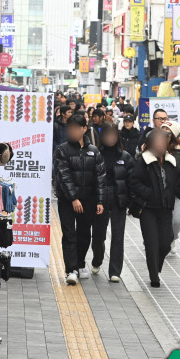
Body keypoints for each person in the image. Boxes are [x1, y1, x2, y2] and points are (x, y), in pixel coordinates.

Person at [129, 129, 180, 287]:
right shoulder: (144, 160)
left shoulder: (171, 161)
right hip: (148, 208)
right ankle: (154, 275)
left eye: (163, 142)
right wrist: (149, 193)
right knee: (151, 242)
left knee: (166, 241)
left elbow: (177, 185)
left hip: (166, 208)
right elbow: (134, 182)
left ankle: (156, 264)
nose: (160, 145)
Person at [55, 114, 106, 285]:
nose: (72, 131)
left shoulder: (94, 151)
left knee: (84, 234)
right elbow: (64, 176)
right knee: (69, 234)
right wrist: (73, 198)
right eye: (70, 128)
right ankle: (71, 270)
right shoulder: (62, 150)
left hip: (89, 200)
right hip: (67, 201)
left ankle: (80, 263)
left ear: (84, 129)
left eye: (76, 128)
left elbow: (100, 177)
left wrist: (99, 201)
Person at [90, 124, 134, 282]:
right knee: (98, 235)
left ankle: (115, 271)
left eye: (113, 135)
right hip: (99, 199)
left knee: (118, 235)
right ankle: (97, 259)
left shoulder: (125, 157)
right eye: (107, 135)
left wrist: (129, 201)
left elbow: (131, 180)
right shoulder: (95, 154)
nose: (111, 138)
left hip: (119, 198)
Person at [161, 121, 180, 255]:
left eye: (168, 130)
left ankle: (173, 238)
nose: (165, 133)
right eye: (163, 130)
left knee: (177, 220)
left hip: (176, 192)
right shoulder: (153, 147)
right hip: (159, 192)